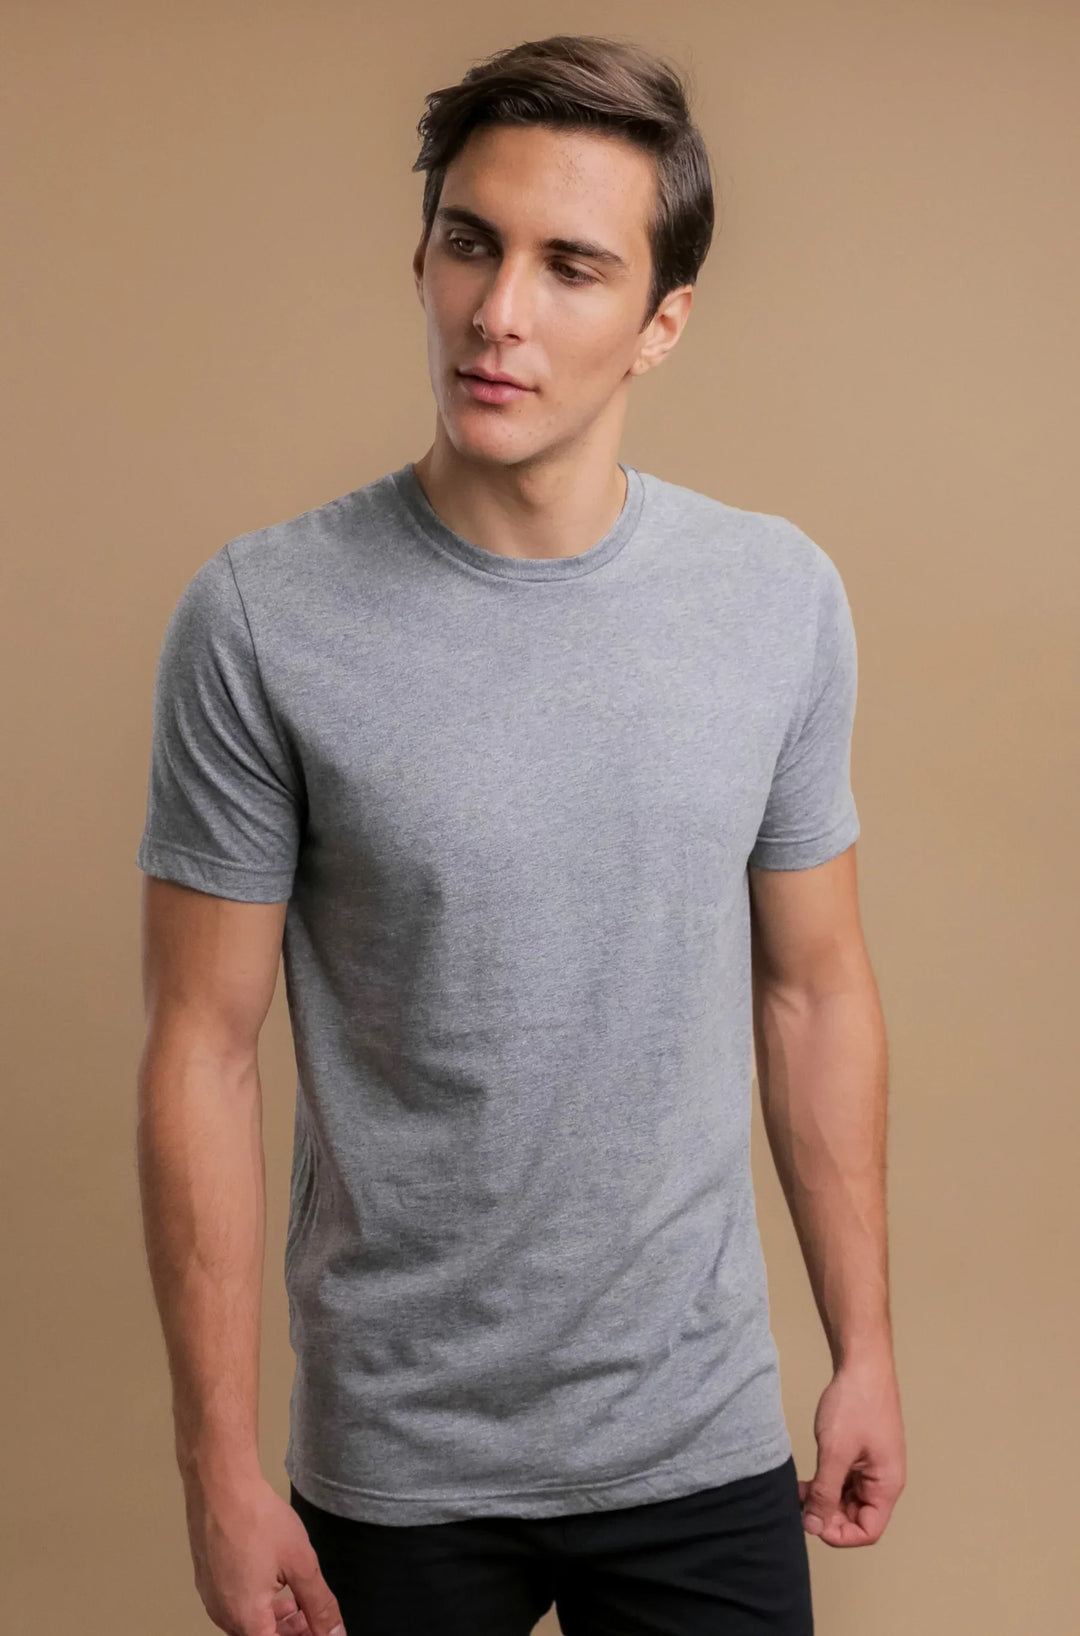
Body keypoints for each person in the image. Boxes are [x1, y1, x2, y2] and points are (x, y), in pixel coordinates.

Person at [135, 32, 905, 1636]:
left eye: (572, 266)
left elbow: (814, 990)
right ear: (420, 257)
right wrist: (217, 1463)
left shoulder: (776, 599)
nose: (499, 312)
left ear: (661, 322)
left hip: (697, 1435)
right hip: (398, 1465)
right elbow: (201, 1048)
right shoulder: (262, 618)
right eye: (471, 244)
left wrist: (867, 1349)